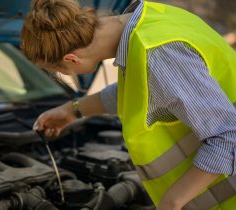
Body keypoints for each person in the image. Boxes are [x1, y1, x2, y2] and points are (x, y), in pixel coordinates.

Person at [21, 0, 236, 209]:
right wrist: (71, 110)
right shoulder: (152, 18)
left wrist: (172, 202)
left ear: (71, 59)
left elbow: (227, 137)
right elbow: (145, 91)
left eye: (59, 72)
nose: (63, 75)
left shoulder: (158, 53)